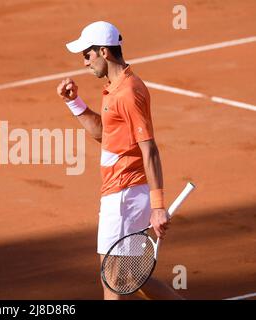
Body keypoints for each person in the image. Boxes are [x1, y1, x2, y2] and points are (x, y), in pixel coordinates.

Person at [56, 21, 183, 300]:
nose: (85, 61)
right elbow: (105, 134)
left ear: (104, 52)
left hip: (125, 193)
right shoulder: (115, 87)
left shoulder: (127, 92)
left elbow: (150, 149)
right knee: (131, 277)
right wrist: (74, 102)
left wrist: (158, 206)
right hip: (120, 191)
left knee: (111, 278)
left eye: (87, 55)